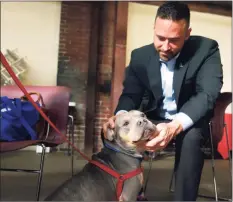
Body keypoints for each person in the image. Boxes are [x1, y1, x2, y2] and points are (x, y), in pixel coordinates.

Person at [102, 1, 223, 201]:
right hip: (155, 116)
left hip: (188, 119)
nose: (165, 47)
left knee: (191, 137)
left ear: (187, 33)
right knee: (119, 130)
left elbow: (207, 94)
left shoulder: (207, 50)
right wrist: (119, 116)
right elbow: (131, 95)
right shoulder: (140, 56)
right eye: (160, 38)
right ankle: (122, 193)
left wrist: (175, 126)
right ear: (154, 28)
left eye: (174, 40)